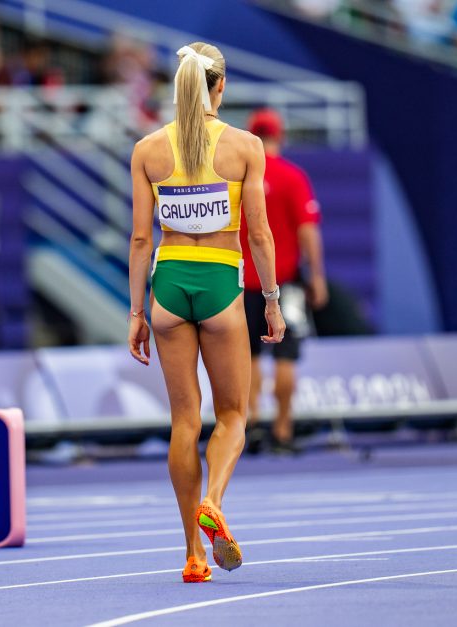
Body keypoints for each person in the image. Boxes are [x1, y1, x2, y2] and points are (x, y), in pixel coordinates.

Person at [128, 42, 285, 584]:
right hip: (220, 282)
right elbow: (259, 234)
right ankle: (214, 500)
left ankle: (194, 554)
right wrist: (271, 300)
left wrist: (135, 313)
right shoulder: (244, 146)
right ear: (221, 86)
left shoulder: (148, 149)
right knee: (235, 416)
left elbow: (140, 238)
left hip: (168, 287)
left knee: (183, 423)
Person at [240, 108, 327, 456]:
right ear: (281, 136)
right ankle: (283, 431)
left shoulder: (240, 178)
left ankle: (251, 425)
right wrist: (317, 276)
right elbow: (308, 231)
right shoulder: (293, 176)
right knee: (285, 358)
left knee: (248, 358)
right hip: (284, 282)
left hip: (242, 283)